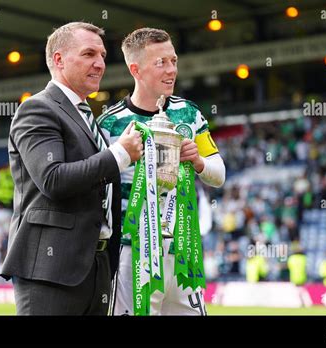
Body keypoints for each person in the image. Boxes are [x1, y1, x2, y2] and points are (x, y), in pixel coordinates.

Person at [0, 22, 143, 315]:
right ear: (59, 59)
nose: (100, 63)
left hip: (97, 268)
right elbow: (53, 179)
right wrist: (119, 154)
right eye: (89, 54)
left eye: (103, 55)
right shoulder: (37, 109)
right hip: (51, 271)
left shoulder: (88, 117)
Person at [99, 27, 225, 315]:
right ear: (136, 69)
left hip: (183, 248)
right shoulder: (109, 124)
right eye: (161, 63)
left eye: (174, 61)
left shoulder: (189, 113)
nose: (171, 70)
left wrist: (200, 162)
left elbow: (219, 174)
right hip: (133, 253)